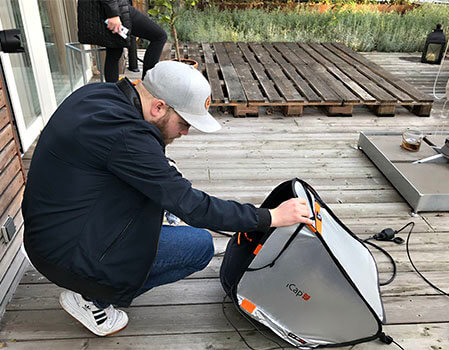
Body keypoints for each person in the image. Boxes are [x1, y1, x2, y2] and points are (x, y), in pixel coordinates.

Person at [22, 61, 314, 337]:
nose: (186, 132)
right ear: (159, 106)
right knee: (198, 246)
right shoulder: (127, 137)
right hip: (64, 254)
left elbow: (125, 162)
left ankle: (93, 284)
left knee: (163, 197)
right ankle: (92, 298)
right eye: (184, 122)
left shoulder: (99, 94)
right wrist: (270, 217)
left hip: (50, 230)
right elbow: (194, 207)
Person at [77, 0, 167, 82]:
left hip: (108, 8)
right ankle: (148, 85)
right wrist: (113, 14)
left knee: (114, 51)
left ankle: (112, 93)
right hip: (116, 8)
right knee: (159, 36)